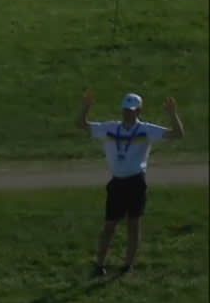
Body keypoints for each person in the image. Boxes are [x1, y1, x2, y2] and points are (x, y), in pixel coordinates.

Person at [77, 90, 184, 277]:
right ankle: (99, 264)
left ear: (139, 111)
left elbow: (177, 134)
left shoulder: (146, 130)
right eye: (125, 110)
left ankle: (127, 266)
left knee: (133, 225)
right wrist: (85, 108)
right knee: (109, 225)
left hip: (135, 182)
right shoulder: (109, 128)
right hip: (117, 183)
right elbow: (81, 125)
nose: (128, 113)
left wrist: (172, 114)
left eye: (132, 110)